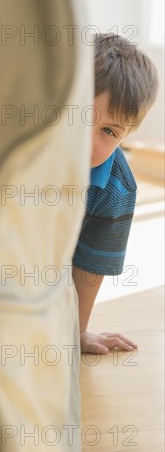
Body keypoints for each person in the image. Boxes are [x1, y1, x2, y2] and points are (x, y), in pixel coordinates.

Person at [72, 33, 159, 355]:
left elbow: (90, 265)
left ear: (126, 137)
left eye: (108, 131)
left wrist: (77, 331)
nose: (86, 140)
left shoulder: (115, 188)